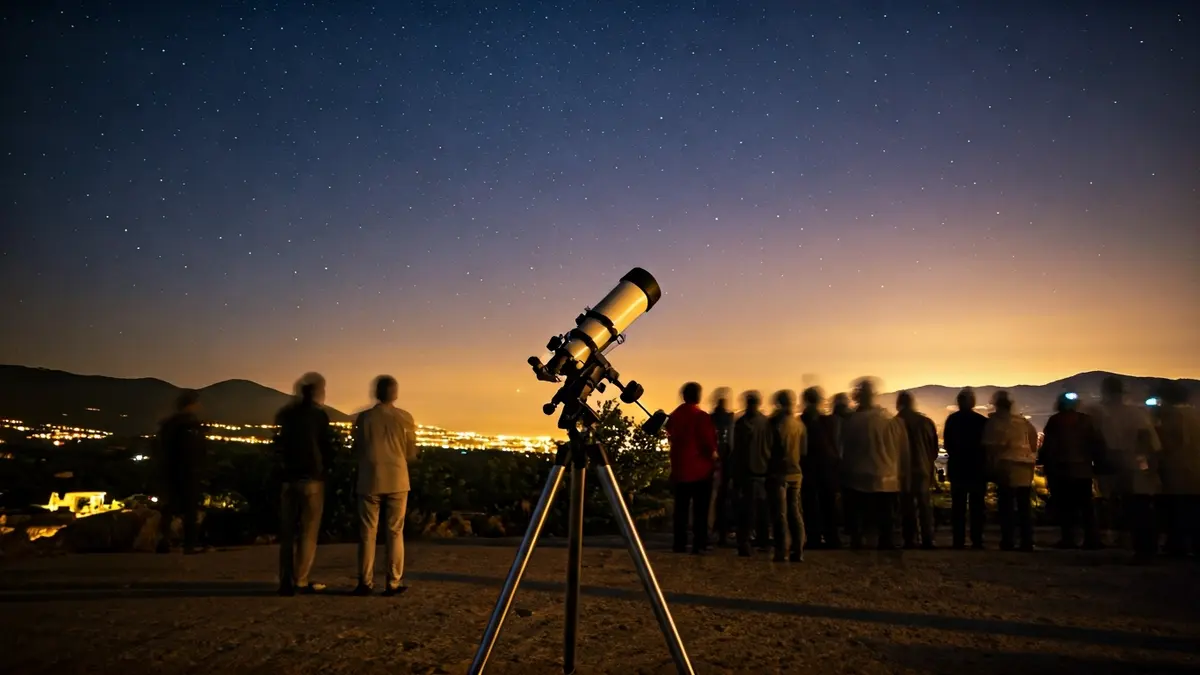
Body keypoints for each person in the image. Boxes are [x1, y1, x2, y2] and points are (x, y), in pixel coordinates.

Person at [353, 375, 420, 597]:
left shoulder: (364, 418)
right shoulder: (405, 418)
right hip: (398, 479)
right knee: (395, 532)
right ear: (395, 394)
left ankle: (365, 582)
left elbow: (358, 449)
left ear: (376, 392)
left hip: (369, 479)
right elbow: (411, 453)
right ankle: (393, 582)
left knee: (367, 533)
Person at [274, 372, 337, 596]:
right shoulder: (319, 416)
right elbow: (326, 447)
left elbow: (278, 445)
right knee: (308, 532)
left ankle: (285, 580)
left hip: (287, 479)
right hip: (311, 479)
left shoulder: (286, 414)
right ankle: (301, 579)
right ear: (317, 392)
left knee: (288, 533)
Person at [1088, 376, 1163, 561]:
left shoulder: (1097, 413)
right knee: (1139, 506)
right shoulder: (1137, 414)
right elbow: (1151, 442)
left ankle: (1133, 545)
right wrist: (1148, 465)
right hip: (1133, 464)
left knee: (1122, 505)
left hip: (1115, 463)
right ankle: (1144, 547)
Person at [840, 378, 907, 550]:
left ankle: (858, 542)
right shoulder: (892, 421)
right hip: (889, 478)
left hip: (859, 477)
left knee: (859, 517)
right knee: (886, 518)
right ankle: (886, 543)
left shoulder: (853, 422)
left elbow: (845, 450)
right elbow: (902, 450)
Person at [1039, 392, 1103, 549]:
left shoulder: (1055, 421)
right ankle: (1091, 539)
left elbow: (1049, 447)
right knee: (1086, 506)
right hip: (1083, 470)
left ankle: (1068, 539)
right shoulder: (1086, 421)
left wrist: (1047, 465)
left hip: (1061, 470)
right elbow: (1096, 443)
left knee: (1066, 506)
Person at [665, 382, 718, 554]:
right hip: (700, 470)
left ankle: (679, 543)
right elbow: (708, 443)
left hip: (680, 469)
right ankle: (699, 544)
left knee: (681, 509)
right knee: (700, 511)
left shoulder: (674, 416)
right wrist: (715, 459)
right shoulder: (701, 417)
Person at [982, 391, 1038, 551]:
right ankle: (1027, 540)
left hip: (1006, 467)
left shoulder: (995, 422)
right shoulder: (1023, 422)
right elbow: (1033, 442)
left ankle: (1008, 540)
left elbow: (990, 447)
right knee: (1024, 506)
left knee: (1006, 506)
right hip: (1025, 467)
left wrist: (990, 467)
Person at [155, 390, 207, 554]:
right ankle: (189, 545)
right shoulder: (188, 425)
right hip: (186, 471)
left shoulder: (169, 424)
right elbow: (192, 449)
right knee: (189, 509)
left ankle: (163, 542)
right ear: (190, 404)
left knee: (169, 508)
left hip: (170, 470)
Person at [1156, 382, 1200, 558]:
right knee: (1194, 508)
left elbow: (1171, 442)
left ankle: (1176, 545)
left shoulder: (1172, 415)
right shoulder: (1195, 413)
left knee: (1176, 509)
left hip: (1177, 468)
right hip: (1195, 468)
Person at [943, 387, 989, 549]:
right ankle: (977, 540)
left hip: (958, 468)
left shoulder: (952, 420)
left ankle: (958, 540)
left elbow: (948, 444)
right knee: (977, 506)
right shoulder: (982, 421)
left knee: (958, 506)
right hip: (977, 469)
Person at [729, 390, 772, 557]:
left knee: (746, 511)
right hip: (763, 470)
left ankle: (745, 543)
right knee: (762, 509)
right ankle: (763, 541)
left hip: (747, 472)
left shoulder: (741, 424)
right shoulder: (766, 423)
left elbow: (737, 451)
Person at [895, 391, 938, 549]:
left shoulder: (896, 422)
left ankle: (909, 539)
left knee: (907, 506)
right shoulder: (926, 421)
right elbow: (933, 448)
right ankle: (928, 539)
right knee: (924, 505)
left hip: (902, 470)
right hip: (923, 468)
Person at [800, 387, 842, 549]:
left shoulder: (802, 422)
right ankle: (832, 538)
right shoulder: (829, 422)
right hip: (828, 469)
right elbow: (836, 446)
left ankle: (814, 537)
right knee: (828, 505)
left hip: (809, 469)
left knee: (810, 505)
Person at [768, 390, 806, 562]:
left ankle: (782, 549)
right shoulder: (799, 425)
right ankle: (798, 549)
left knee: (780, 514)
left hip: (780, 473)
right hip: (796, 472)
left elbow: (770, 449)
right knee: (795, 511)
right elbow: (804, 451)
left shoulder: (777, 424)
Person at [709, 390, 736, 547]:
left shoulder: (712, 419)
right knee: (724, 500)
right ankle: (722, 531)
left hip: (717, 464)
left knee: (718, 500)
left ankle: (717, 531)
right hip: (724, 464)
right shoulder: (729, 419)